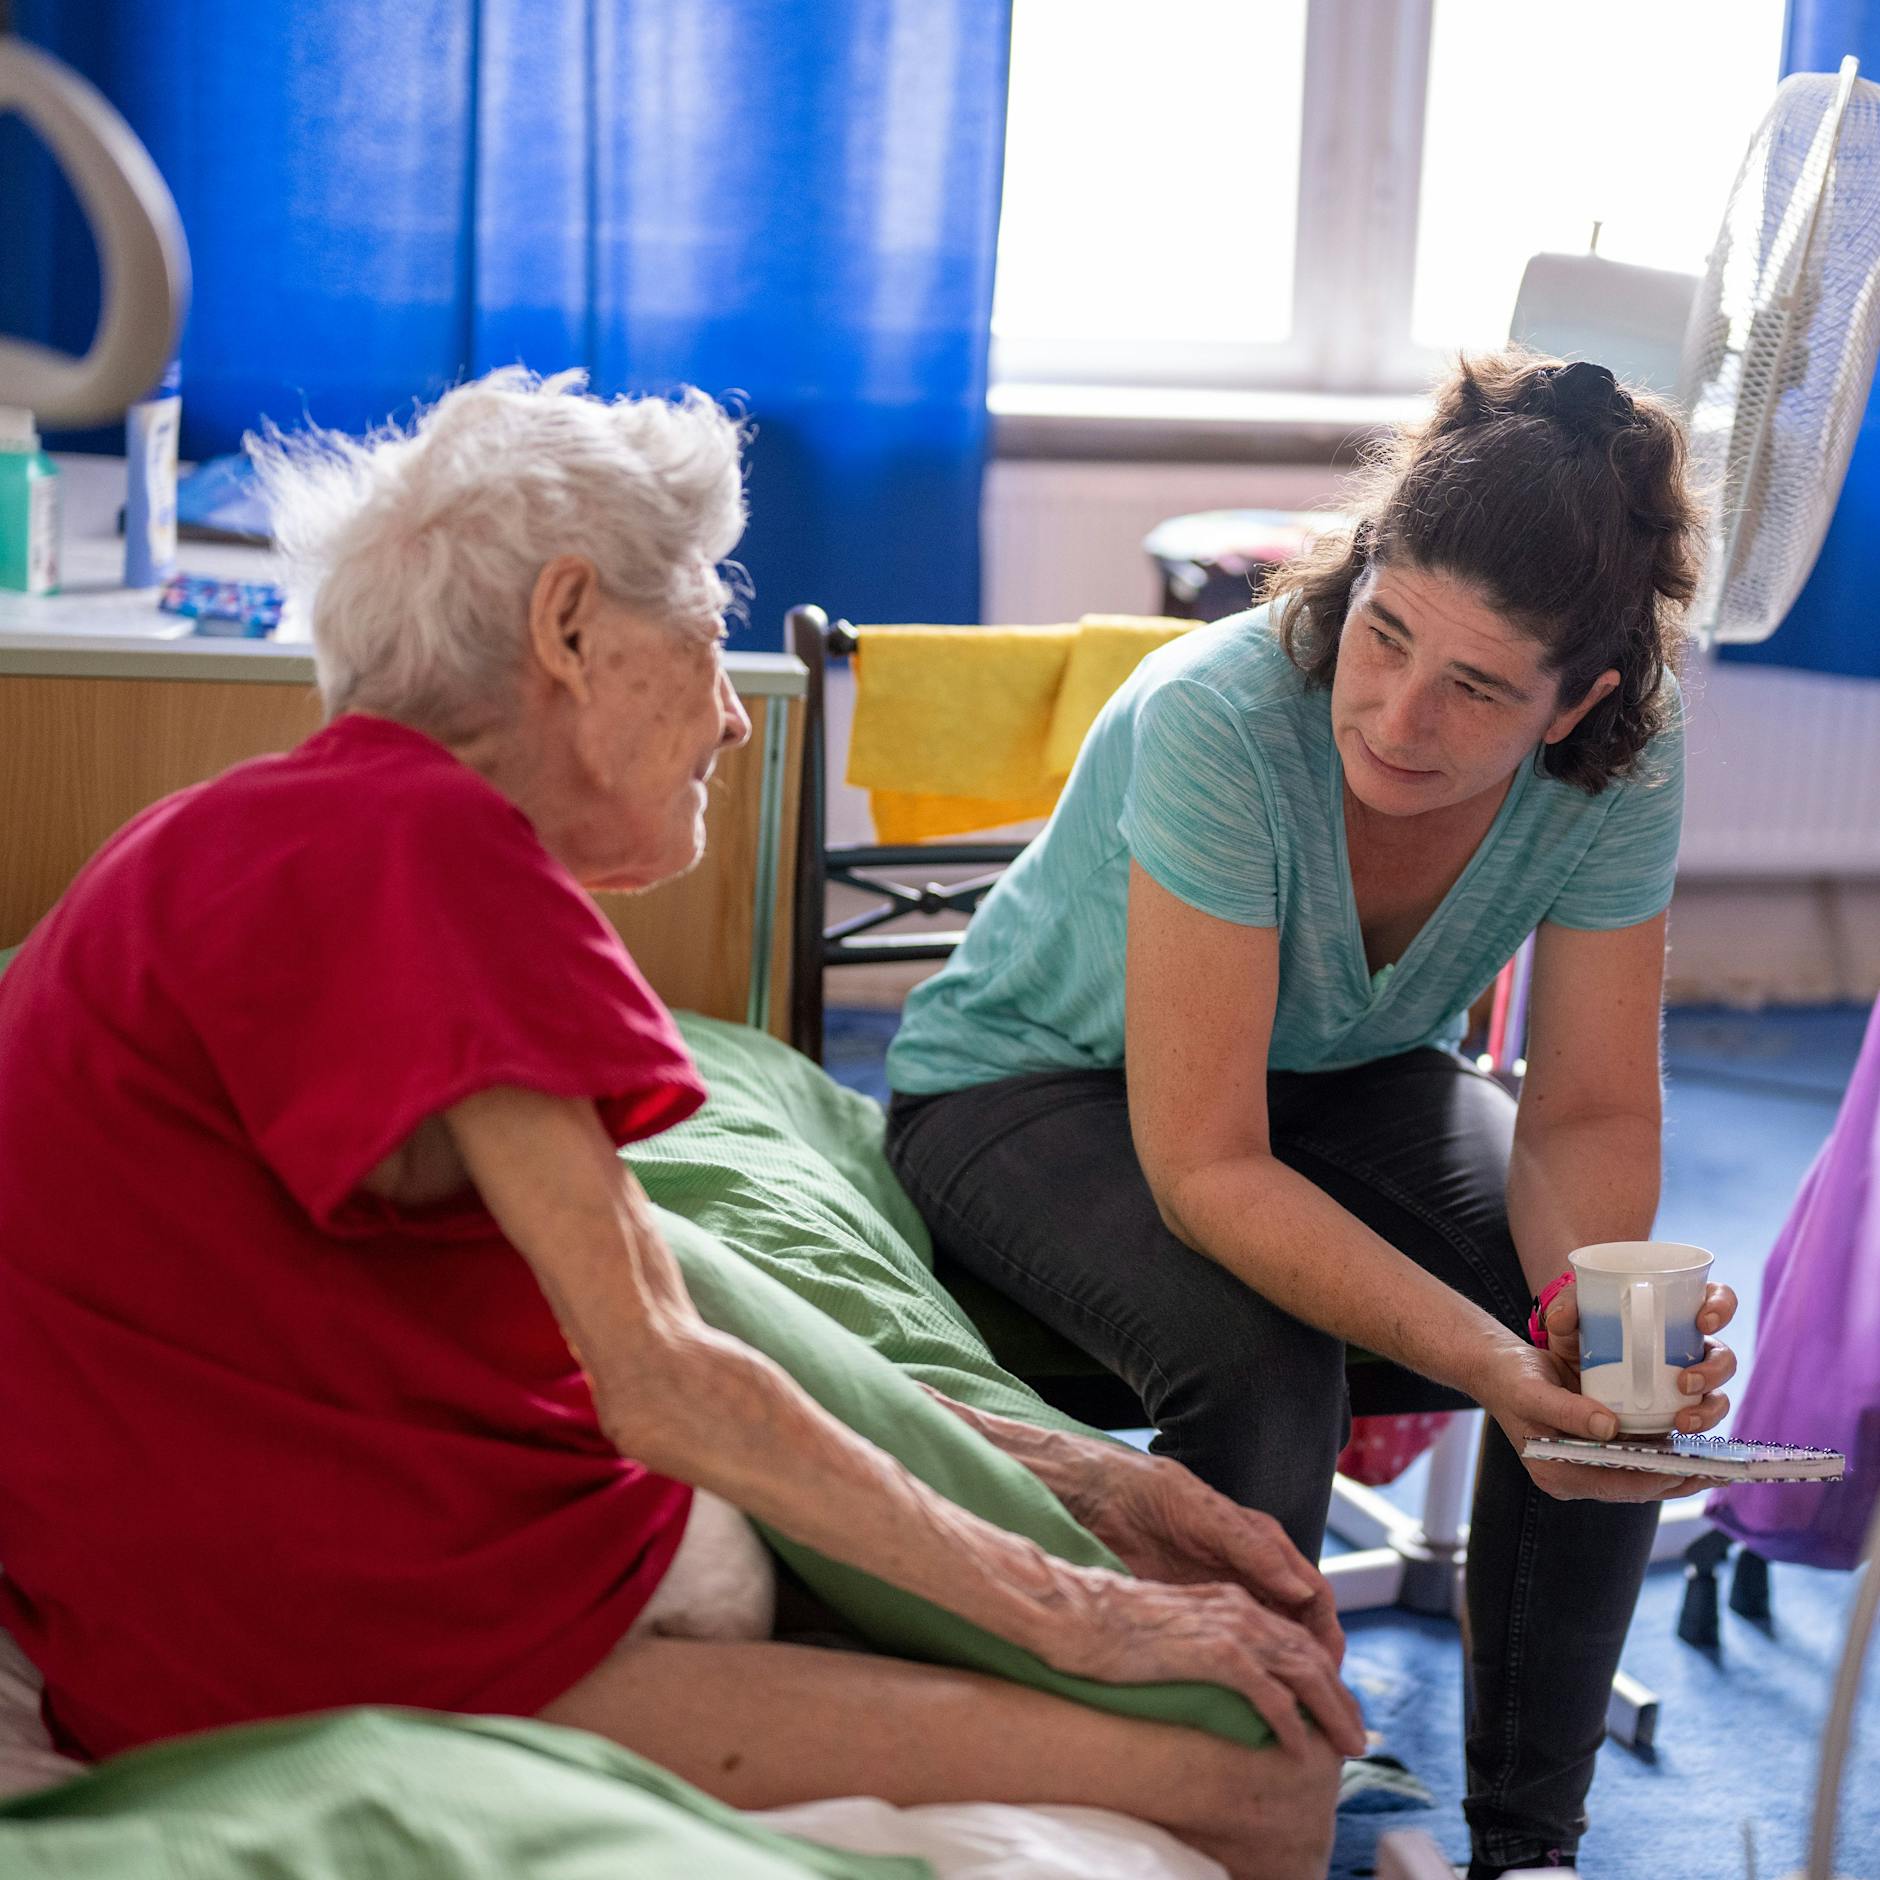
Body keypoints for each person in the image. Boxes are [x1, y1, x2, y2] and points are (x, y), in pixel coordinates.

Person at [0, 370, 1359, 1880]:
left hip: (248, 1599)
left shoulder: (272, 829)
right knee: (1260, 1782)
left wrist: (1094, 1481)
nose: (729, 720)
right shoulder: (433, 849)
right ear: (568, 627)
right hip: (334, 1644)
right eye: (710, 637)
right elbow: (667, 1378)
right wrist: (1080, 1607)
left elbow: (643, 1326)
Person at [884, 350, 1741, 1879]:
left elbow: (1593, 1108)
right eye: (1385, 633)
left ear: (1583, 703)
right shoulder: (1226, 715)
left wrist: (1583, 1331)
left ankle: (1529, 1846)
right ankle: (1215, 1819)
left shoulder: (1634, 757)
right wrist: (1488, 1354)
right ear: (1356, 577)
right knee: (1266, 1367)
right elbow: (1209, 1163)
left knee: (1626, 1375)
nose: (1399, 715)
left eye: (1475, 686)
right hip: (1031, 1085)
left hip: (1349, 1079)